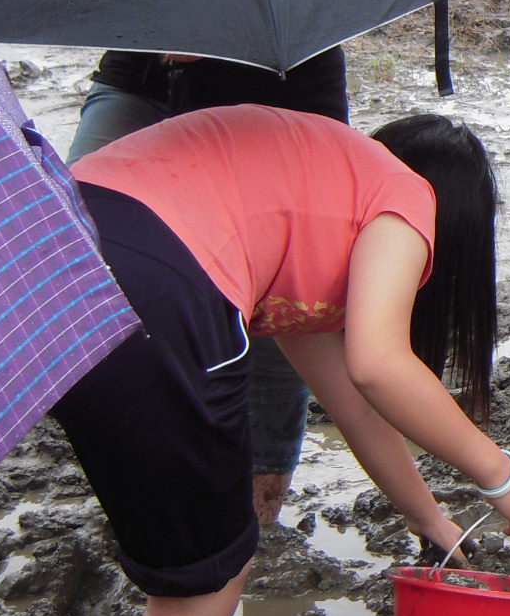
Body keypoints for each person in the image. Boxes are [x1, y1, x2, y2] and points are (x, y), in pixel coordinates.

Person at [53, 105, 510, 616]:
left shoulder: (317, 199)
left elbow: (354, 403)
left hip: (56, 242)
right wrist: (503, 474)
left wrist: (434, 522)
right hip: (162, 276)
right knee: (200, 589)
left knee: (188, 561)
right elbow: (379, 365)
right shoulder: (406, 195)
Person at [69, 48, 352, 529]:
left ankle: (256, 514)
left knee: (281, 299)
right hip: (144, 81)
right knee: (81, 256)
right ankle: (133, 481)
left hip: (284, 92)